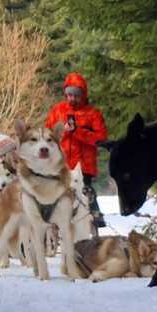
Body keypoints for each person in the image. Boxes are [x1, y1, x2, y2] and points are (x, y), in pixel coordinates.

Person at [44, 72, 108, 229]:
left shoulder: (93, 113)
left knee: (86, 191)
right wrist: (64, 131)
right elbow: (47, 135)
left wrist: (78, 132)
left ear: (83, 95)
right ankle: (50, 220)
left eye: (76, 95)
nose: (72, 98)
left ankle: (94, 216)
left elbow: (101, 138)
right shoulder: (57, 110)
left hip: (84, 164)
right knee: (55, 192)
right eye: (69, 95)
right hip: (60, 163)